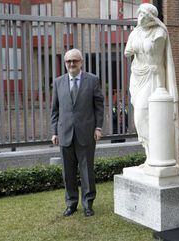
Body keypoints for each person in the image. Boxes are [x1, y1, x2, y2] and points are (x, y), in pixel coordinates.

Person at [50, 48, 104, 217]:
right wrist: (54, 132)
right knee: (68, 172)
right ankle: (71, 204)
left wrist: (98, 127)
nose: (72, 64)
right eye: (68, 61)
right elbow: (55, 110)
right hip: (64, 133)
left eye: (75, 61)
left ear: (81, 62)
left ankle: (88, 204)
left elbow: (99, 107)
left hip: (86, 133)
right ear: (65, 63)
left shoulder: (93, 80)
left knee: (87, 170)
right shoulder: (58, 82)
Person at [124, 3, 178, 161]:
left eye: (143, 15)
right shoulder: (135, 33)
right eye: (139, 14)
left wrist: (139, 47)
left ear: (151, 17)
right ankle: (149, 154)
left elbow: (153, 54)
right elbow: (127, 51)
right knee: (140, 114)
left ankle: (158, 153)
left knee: (145, 114)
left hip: (153, 76)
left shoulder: (159, 32)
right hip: (137, 77)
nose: (140, 18)